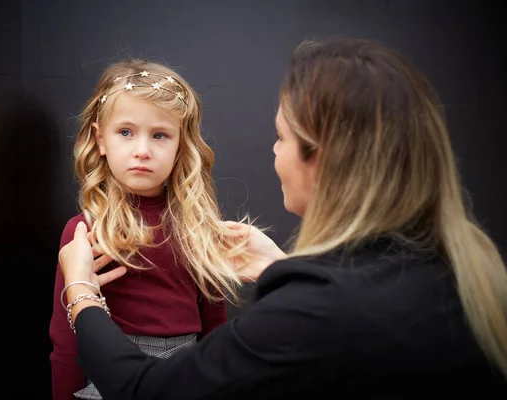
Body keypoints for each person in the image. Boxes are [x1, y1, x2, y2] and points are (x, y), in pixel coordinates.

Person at [57, 37, 507, 398]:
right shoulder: (454, 278)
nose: (272, 151)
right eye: (126, 132)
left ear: (323, 161)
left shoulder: (315, 310)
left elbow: (149, 390)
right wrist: (282, 269)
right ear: (100, 139)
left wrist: (79, 291)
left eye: (280, 137)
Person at [49, 59, 263, 399]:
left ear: (181, 146)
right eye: (125, 132)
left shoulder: (197, 226)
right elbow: (66, 336)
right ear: (100, 139)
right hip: (109, 377)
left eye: (160, 135)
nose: (142, 151)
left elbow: (214, 326)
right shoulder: (85, 231)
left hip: (187, 372)